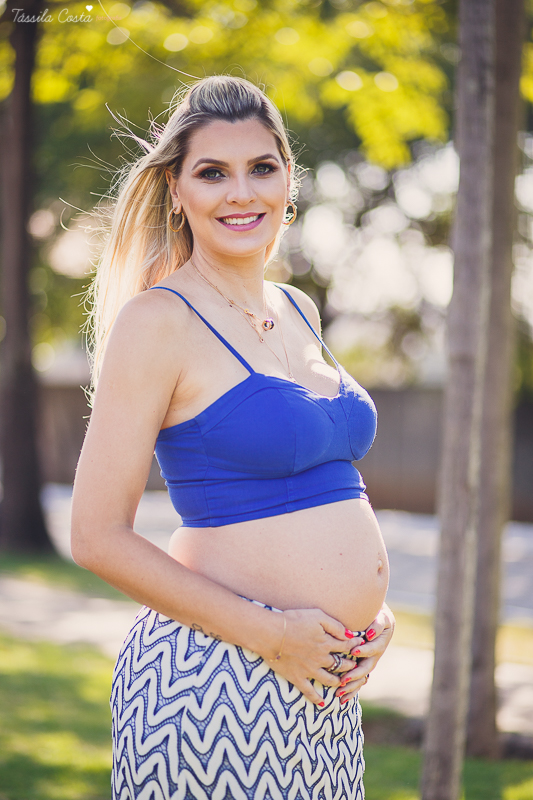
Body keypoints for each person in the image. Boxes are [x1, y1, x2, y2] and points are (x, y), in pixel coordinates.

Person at [71, 74, 394, 800]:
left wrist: (372, 614)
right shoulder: (158, 322)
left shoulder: (298, 307)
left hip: (325, 689)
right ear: (176, 192)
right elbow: (95, 537)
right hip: (215, 679)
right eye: (211, 173)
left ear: (289, 179)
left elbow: (327, 489)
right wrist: (270, 633)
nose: (239, 193)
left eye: (261, 167)